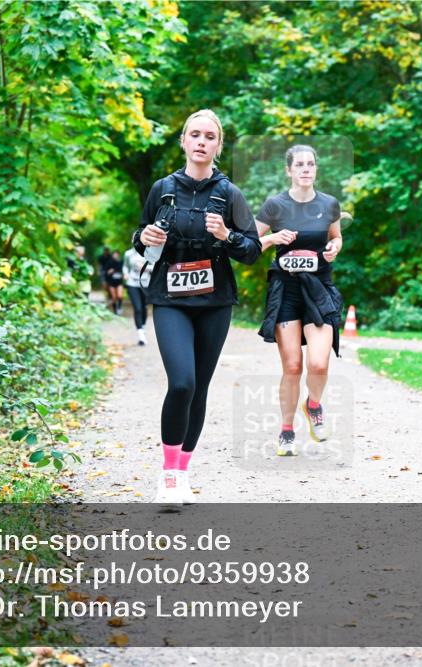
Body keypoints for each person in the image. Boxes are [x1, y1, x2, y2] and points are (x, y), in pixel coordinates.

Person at [132, 109, 261, 506]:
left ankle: (182, 472)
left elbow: (253, 250)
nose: (202, 141)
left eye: (210, 136)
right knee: (182, 382)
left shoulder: (230, 194)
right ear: (184, 142)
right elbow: (140, 238)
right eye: (195, 135)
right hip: (170, 298)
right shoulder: (162, 189)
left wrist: (226, 235)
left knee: (200, 387)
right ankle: (168, 475)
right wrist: (144, 235)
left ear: (218, 146)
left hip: (215, 301)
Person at [255, 144, 344, 457]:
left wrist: (335, 247)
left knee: (318, 363)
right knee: (293, 367)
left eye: (311, 165)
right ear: (289, 170)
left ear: (316, 169)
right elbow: (251, 242)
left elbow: (336, 236)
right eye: (300, 165)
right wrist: (273, 238)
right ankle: (286, 430)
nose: (306, 169)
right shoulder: (275, 206)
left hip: (319, 287)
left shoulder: (329, 204)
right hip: (286, 289)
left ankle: (314, 405)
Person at [122, 246, 151, 345]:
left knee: (144, 307)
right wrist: (125, 273)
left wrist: (144, 267)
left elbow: (155, 267)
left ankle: (142, 325)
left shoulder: (150, 253)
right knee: (137, 308)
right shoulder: (128, 254)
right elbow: (125, 266)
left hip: (145, 284)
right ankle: (141, 335)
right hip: (132, 283)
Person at [105, 250, 124, 315]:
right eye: (114, 254)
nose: (115, 255)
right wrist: (109, 272)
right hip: (111, 282)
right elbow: (106, 273)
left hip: (119, 282)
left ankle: (119, 307)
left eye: (117, 254)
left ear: (118, 255)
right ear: (112, 255)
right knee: (114, 297)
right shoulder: (109, 262)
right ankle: (115, 310)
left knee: (120, 295)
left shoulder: (121, 262)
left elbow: (123, 270)